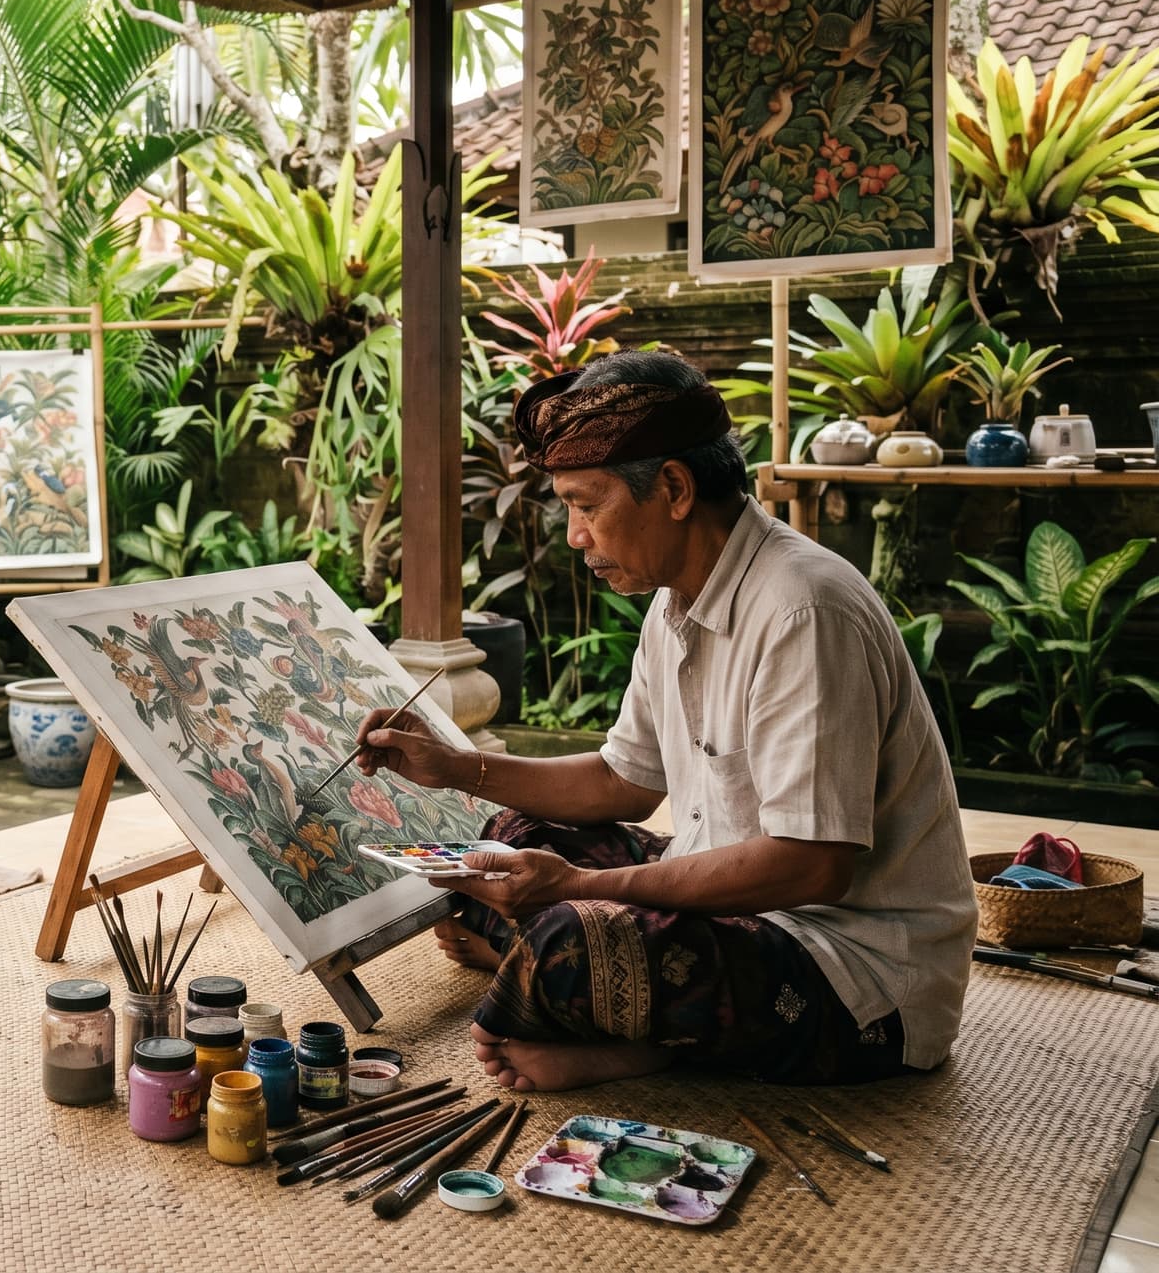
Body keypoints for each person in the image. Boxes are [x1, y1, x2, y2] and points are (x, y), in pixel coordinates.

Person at [359, 349, 976, 1092]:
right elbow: (623, 782)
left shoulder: (802, 609)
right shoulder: (675, 598)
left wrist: (581, 890)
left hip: (851, 970)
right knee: (503, 842)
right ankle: (623, 1013)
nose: (575, 535)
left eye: (588, 505)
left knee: (568, 936)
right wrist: (458, 767)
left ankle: (626, 1025)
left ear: (675, 488)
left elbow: (814, 864)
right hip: (732, 901)